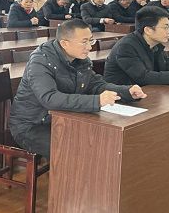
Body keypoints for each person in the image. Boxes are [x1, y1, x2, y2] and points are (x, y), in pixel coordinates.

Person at [9, 19, 147, 159]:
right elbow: (49, 98)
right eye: (84, 42)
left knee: (101, 140)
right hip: (32, 125)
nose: (89, 47)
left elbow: (96, 85)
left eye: (91, 41)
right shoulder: (41, 61)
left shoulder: (80, 60)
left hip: (64, 119)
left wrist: (126, 91)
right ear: (65, 43)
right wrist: (97, 101)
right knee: (78, 150)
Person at [104, 6, 169, 86]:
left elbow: (168, 65)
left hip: (145, 92)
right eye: (165, 27)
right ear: (148, 30)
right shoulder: (126, 46)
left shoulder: (155, 44)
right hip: (121, 98)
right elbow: (143, 77)